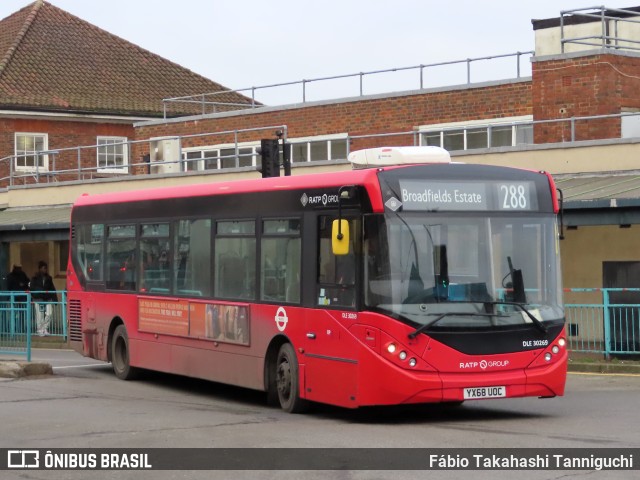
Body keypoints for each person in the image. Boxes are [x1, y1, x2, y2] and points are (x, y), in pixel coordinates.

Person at [30, 261, 57, 337]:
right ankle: (40, 329)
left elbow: (52, 289)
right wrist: (35, 295)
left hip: (47, 298)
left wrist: (55, 300)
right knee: (39, 315)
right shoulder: (34, 278)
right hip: (38, 299)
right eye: (44, 268)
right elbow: (31, 288)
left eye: (46, 268)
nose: (45, 270)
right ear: (40, 268)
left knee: (49, 313)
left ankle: (44, 328)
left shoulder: (49, 278)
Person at [6, 265, 30, 335]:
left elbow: (29, 282)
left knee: (20, 314)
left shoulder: (22, 275)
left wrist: (25, 285)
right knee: (14, 314)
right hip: (15, 297)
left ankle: (19, 329)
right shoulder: (11, 276)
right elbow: (8, 286)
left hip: (21, 297)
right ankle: (14, 329)